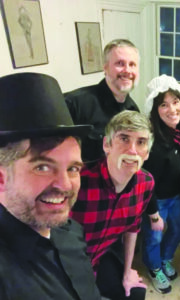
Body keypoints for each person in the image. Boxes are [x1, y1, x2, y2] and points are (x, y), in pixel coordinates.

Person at [0, 72, 100, 299]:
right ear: (1, 179)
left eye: (73, 168)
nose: (65, 185)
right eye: (43, 167)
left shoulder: (71, 230)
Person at [70, 110, 161, 300]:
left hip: (102, 256)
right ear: (107, 144)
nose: (133, 150)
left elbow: (133, 228)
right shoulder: (77, 181)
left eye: (141, 142)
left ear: (147, 153)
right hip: (68, 261)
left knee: (136, 293)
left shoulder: (146, 183)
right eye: (124, 139)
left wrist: (127, 271)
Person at [141, 75, 180, 294]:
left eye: (175, 102)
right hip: (156, 201)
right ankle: (154, 267)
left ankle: (165, 259)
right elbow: (147, 184)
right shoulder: (154, 144)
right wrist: (153, 214)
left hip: (176, 197)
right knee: (153, 236)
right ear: (155, 110)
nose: (172, 109)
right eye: (163, 104)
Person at [65, 39, 140, 163]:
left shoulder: (133, 111)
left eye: (132, 64)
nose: (127, 70)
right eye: (120, 63)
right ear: (105, 67)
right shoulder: (74, 104)